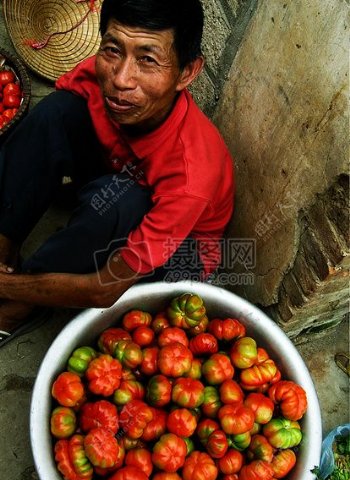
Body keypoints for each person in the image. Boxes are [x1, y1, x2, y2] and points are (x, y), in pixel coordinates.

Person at [0, 0, 234, 347]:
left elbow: (104, 288)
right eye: (113, 50)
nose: (121, 80)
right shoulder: (102, 75)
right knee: (54, 114)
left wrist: (9, 287)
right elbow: (46, 137)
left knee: (114, 202)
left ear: (187, 72)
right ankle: (4, 251)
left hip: (176, 256)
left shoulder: (190, 174)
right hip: (119, 170)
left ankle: (19, 305)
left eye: (147, 59)